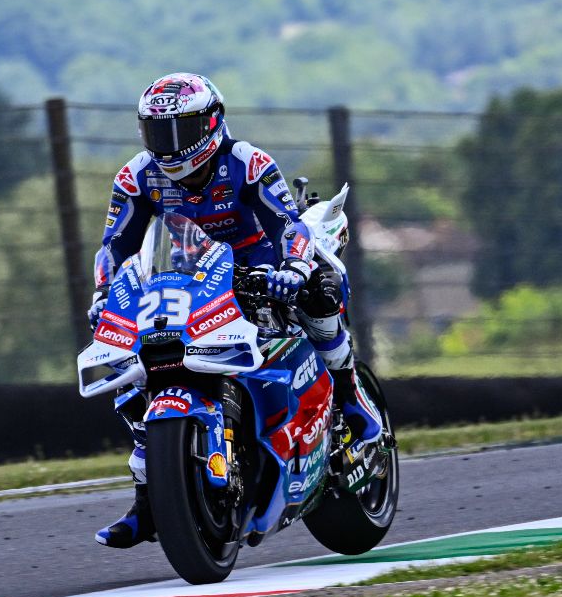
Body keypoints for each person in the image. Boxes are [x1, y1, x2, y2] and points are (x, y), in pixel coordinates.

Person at [87, 72, 384, 548]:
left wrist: (291, 265)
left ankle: (349, 393)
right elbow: (114, 247)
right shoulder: (137, 176)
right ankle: (151, 499)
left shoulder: (247, 163)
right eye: (157, 132)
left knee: (319, 289)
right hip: (187, 276)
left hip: (258, 269)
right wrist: (104, 292)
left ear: (211, 124)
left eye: (180, 132)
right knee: (130, 356)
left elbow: (288, 224)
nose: (168, 146)